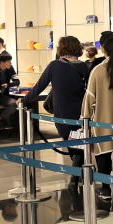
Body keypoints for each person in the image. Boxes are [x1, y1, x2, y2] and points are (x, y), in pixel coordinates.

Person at [24, 37, 90, 207]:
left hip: (61, 115)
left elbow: (39, 86)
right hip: (81, 115)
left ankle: (76, 179)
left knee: (73, 145)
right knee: (80, 146)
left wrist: (24, 100)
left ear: (61, 48)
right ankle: (77, 178)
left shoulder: (55, 66)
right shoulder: (84, 67)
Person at [81, 34, 113, 178]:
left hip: (101, 123)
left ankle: (105, 189)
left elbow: (89, 98)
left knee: (103, 157)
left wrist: (84, 120)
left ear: (104, 50)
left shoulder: (97, 71)